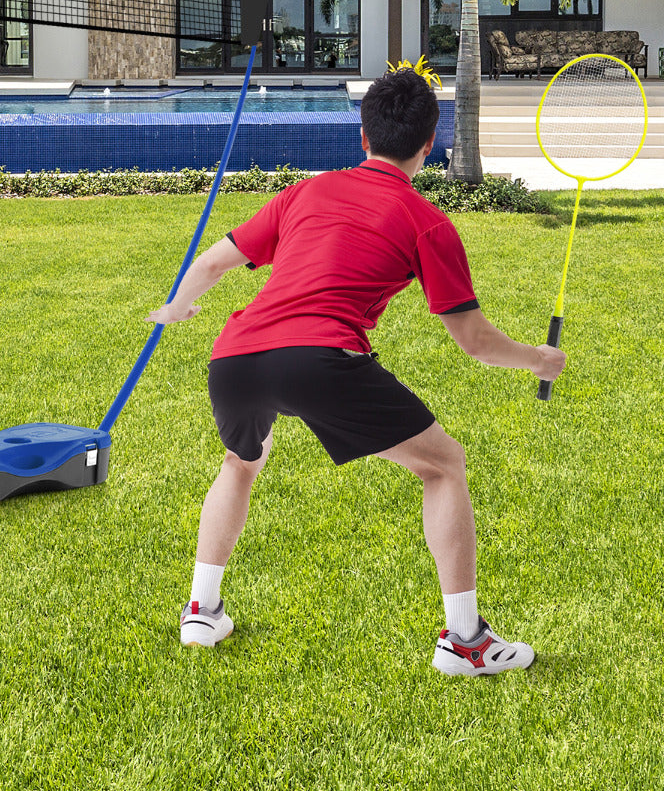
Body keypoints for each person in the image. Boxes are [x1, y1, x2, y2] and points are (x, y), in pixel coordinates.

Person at [147, 67, 565, 675]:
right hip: (318, 360)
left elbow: (214, 262)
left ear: (363, 138)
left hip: (233, 356)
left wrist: (178, 307)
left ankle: (201, 611)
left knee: (241, 462)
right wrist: (539, 359)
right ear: (430, 145)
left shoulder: (305, 193)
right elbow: (473, 342)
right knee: (444, 464)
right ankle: (467, 643)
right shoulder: (428, 222)